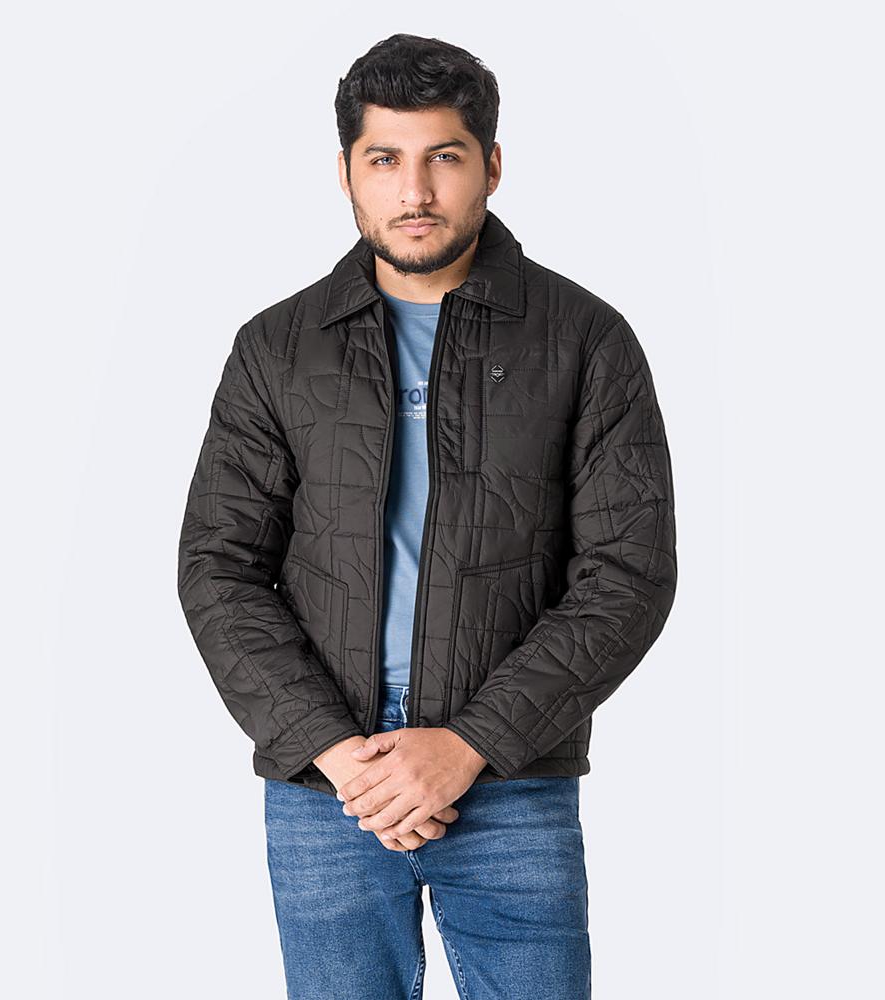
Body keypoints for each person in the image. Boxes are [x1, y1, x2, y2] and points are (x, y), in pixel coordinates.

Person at [177, 32, 677, 1000]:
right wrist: (337, 753)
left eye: (443, 156)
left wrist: (469, 743)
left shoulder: (584, 339)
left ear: (491, 164)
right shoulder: (277, 348)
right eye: (384, 160)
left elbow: (628, 572)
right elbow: (219, 567)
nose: (414, 191)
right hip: (329, 788)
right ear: (345, 173)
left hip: (512, 775)